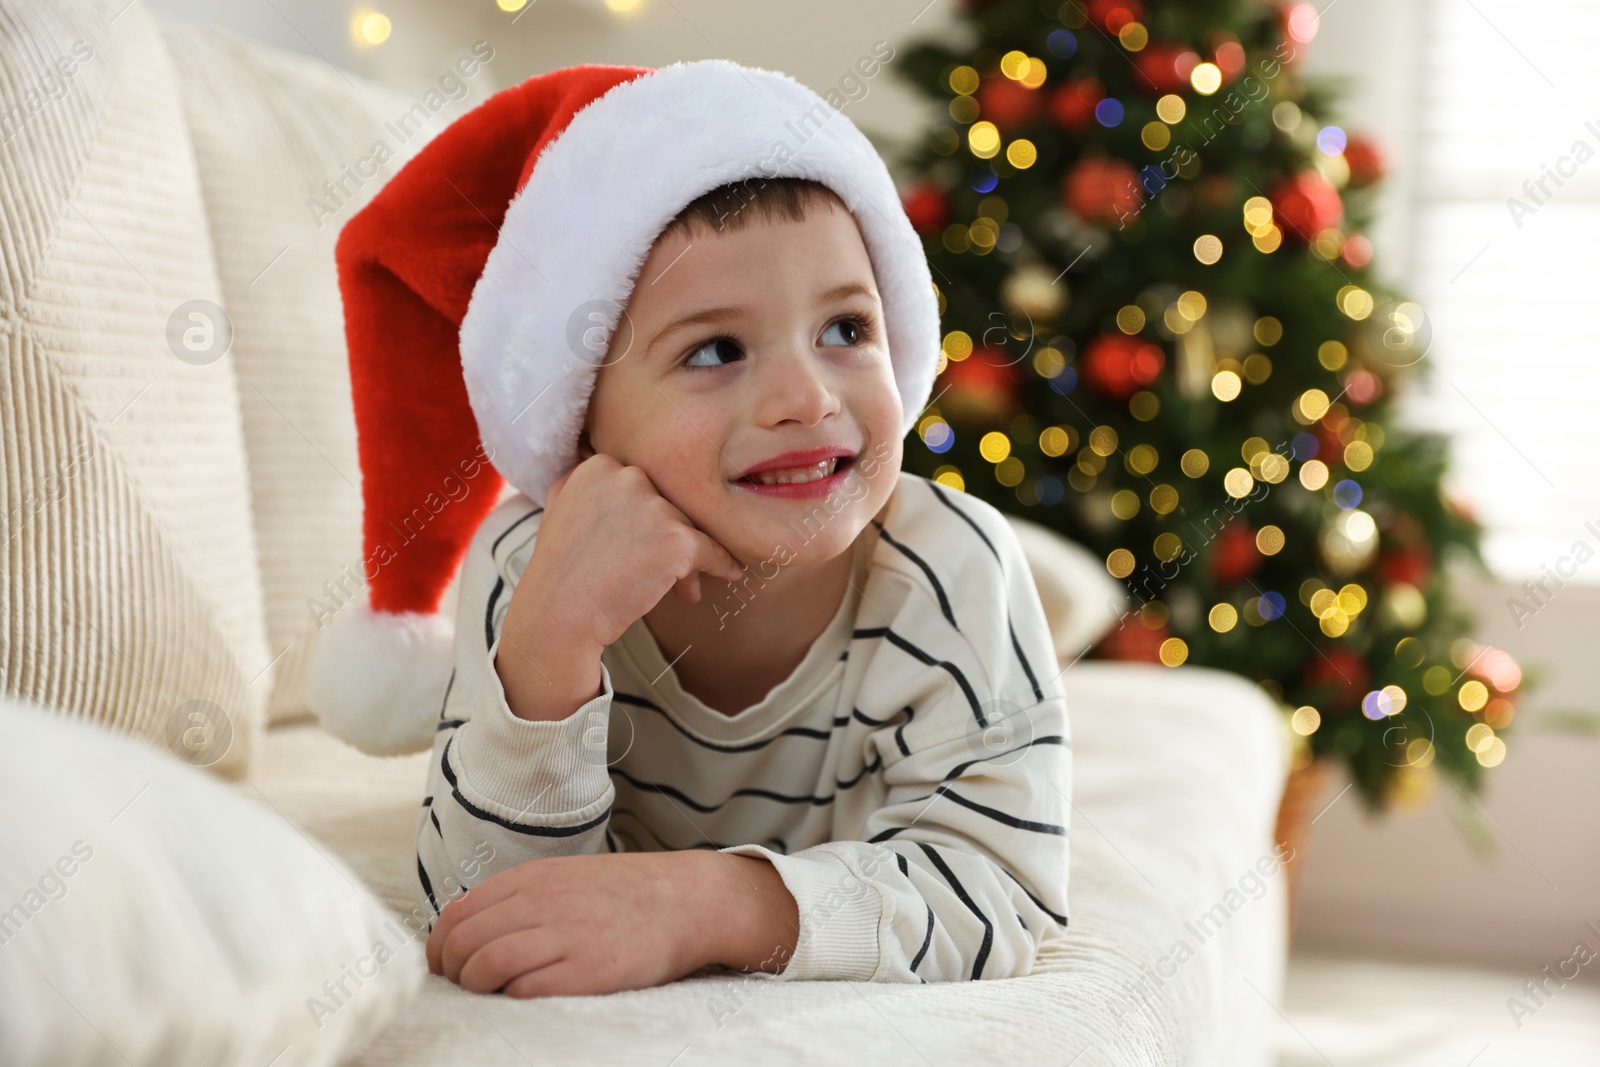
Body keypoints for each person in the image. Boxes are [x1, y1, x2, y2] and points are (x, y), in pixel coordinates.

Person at [308, 59, 1070, 999]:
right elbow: (487, 914)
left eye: (845, 329)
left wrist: (711, 904)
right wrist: (548, 653)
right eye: (716, 349)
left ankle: (1063, 614)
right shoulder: (524, 571)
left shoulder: (954, 568)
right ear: (582, 424)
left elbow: (1004, 888)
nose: (806, 397)